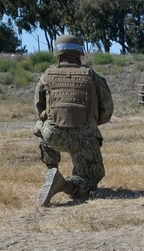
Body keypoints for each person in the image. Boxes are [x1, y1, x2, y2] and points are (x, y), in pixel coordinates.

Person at [34, 34, 114, 206]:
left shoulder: (46, 75)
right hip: (84, 138)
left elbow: (39, 108)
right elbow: (107, 109)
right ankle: (64, 184)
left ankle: (52, 170)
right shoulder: (92, 76)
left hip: (54, 137)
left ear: (57, 54)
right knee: (90, 180)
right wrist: (90, 124)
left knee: (41, 125)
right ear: (80, 54)